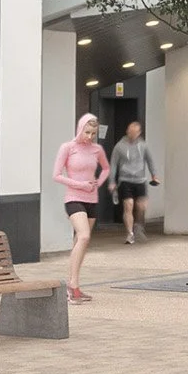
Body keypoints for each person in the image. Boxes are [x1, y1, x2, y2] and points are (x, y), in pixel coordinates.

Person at [53, 114, 112, 298]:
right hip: (73, 198)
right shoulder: (68, 148)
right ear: (80, 129)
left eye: (93, 133)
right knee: (84, 236)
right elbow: (56, 175)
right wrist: (81, 185)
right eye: (87, 132)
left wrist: (97, 183)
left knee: (80, 242)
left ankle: (73, 285)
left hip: (91, 200)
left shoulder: (97, 149)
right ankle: (73, 285)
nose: (90, 136)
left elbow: (106, 168)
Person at [112, 120, 159, 246]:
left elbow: (150, 161)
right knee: (128, 205)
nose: (132, 135)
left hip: (140, 180)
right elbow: (114, 164)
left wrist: (154, 175)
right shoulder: (119, 146)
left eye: (135, 132)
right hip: (125, 180)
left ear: (139, 133)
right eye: (130, 132)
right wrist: (112, 181)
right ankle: (130, 233)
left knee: (141, 206)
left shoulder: (143, 145)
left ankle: (138, 224)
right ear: (127, 131)